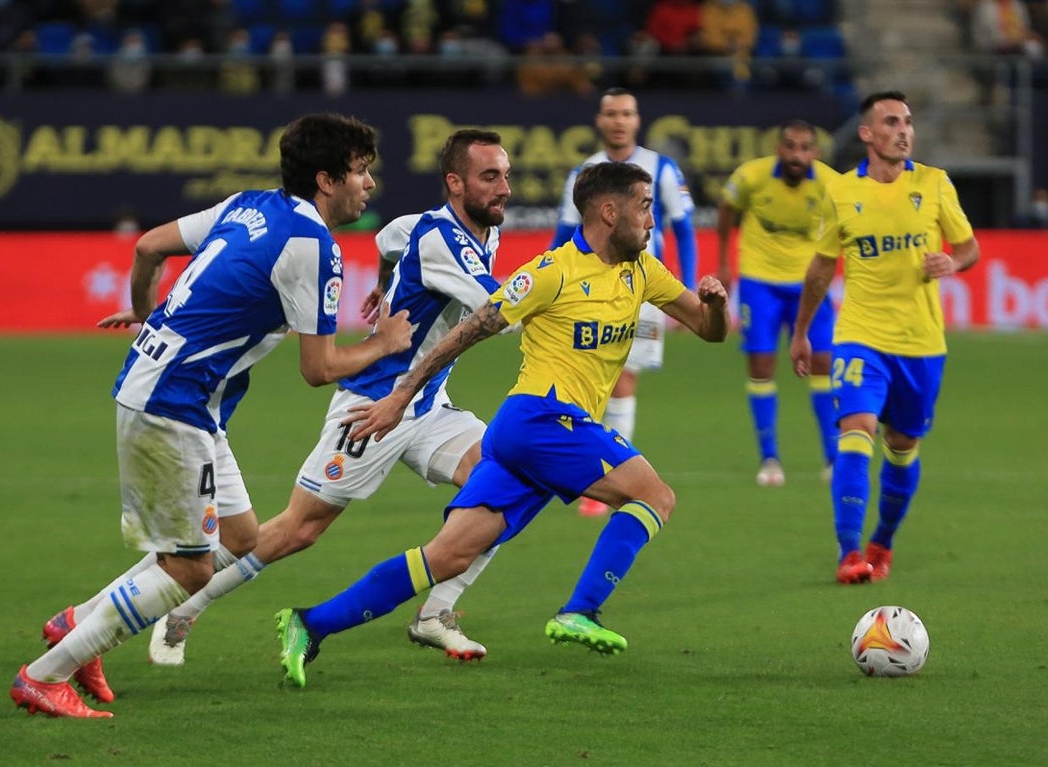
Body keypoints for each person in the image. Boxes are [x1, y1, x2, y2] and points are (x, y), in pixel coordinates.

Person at [11, 113, 414, 718]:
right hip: (174, 403)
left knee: (240, 539)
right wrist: (385, 343)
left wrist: (149, 317)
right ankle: (45, 675)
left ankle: (77, 624)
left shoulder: (247, 205)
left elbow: (148, 247)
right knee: (191, 568)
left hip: (179, 395)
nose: (369, 185)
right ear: (327, 180)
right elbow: (319, 367)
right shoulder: (314, 245)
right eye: (361, 173)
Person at [272, 161, 729, 688]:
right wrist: (402, 395)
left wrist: (715, 307)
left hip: (532, 439)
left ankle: (310, 623)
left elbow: (707, 328)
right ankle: (581, 610)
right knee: (655, 495)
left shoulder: (643, 270)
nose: (653, 221)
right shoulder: (551, 272)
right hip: (540, 418)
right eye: (645, 207)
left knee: (447, 555)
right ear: (609, 211)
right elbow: (466, 332)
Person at [145, 129, 512, 667]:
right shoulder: (439, 240)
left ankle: (436, 614)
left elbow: (388, 239)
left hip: (428, 404)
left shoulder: (461, 230)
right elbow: (498, 313)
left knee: (505, 487)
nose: (504, 187)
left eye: (505, 174)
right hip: (373, 408)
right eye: (490, 177)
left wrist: (386, 287)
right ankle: (183, 608)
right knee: (298, 530)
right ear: (455, 183)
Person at [789, 91, 980, 584]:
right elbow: (820, 267)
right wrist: (803, 332)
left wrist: (952, 262)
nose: (904, 130)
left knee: (902, 445)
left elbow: (969, 247)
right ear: (867, 133)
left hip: (921, 344)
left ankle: (882, 542)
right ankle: (849, 552)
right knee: (856, 429)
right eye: (891, 121)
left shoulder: (934, 184)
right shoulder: (841, 193)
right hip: (860, 335)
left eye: (908, 122)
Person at [551, 87, 699, 516]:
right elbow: (563, 234)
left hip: (642, 290)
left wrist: (685, 294)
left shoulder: (661, 168)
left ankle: (607, 475)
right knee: (585, 379)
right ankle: (593, 469)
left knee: (624, 378)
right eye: (611, 113)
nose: (619, 120)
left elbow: (684, 229)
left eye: (627, 113)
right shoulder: (585, 172)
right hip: (585, 292)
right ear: (599, 121)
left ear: (637, 120)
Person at [716, 120, 840, 487]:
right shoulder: (751, 176)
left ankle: (833, 458)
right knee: (761, 365)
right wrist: (724, 262)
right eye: (790, 146)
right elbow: (725, 207)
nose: (796, 155)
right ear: (778, 147)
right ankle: (770, 457)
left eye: (805, 148)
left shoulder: (832, 185)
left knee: (822, 363)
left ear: (815, 153)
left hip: (808, 285)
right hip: (760, 283)